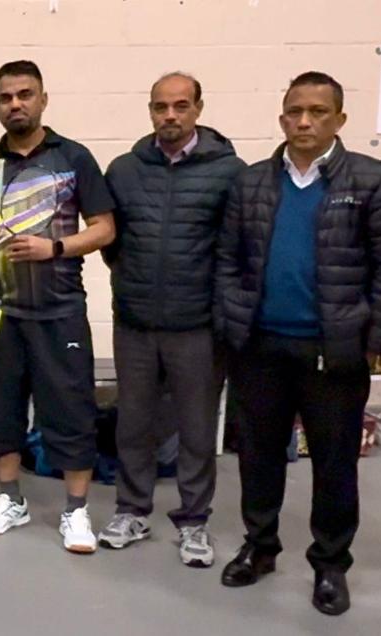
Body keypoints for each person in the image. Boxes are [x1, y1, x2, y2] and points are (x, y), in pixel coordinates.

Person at [213, 71, 381, 615]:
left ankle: (330, 563)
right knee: (258, 457)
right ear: (282, 117)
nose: (304, 121)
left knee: (334, 464)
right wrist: (232, 322)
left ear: (340, 119)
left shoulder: (374, 180)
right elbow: (227, 258)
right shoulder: (251, 183)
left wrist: (375, 341)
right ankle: (260, 547)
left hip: (334, 351)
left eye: (318, 112)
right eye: (294, 111)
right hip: (260, 346)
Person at [0, 61, 116, 552]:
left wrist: (56, 248)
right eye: (6, 97)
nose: (15, 104)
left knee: (71, 411)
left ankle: (76, 510)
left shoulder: (74, 158)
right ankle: (11, 500)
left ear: (43, 99)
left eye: (25, 95)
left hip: (60, 309)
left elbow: (105, 228)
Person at [97, 72, 244, 566]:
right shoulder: (124, 170)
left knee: (197, 430)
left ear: (198, 109)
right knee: (133, 424)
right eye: (161, 107)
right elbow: (112, 243)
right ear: (150, 111)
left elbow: (237, 248)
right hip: (135, 322)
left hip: (198, 326)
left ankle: (194, 521)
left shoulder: (230, 172)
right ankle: (131, 510)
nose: (170, 116)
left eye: (181, 106)